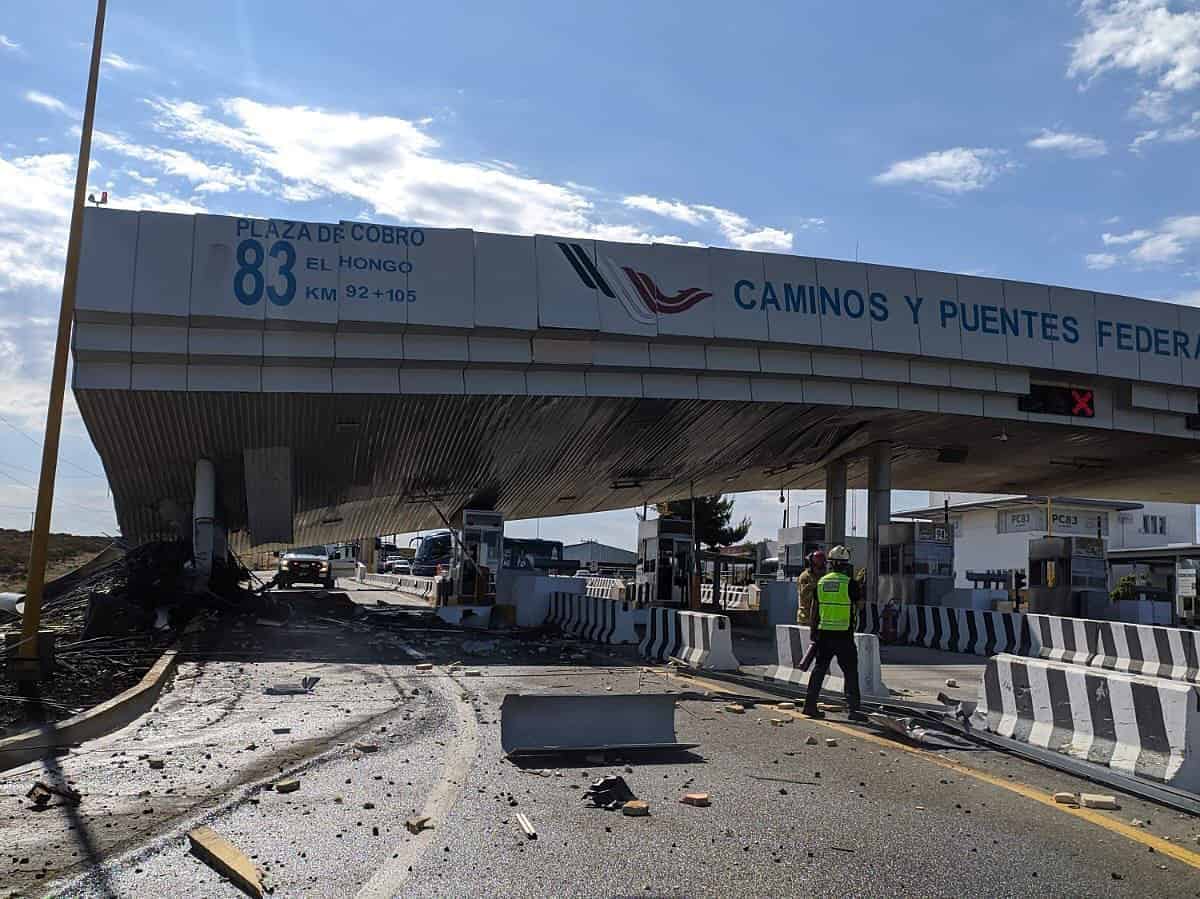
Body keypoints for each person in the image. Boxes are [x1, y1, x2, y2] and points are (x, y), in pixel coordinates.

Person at [802, 545, 869, 723]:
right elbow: (860, 605)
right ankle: (854, 710)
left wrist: (813, 632)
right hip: (843, 635)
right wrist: (860, 589)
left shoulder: (821, 582)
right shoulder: (850, 584)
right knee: (850, 672)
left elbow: (814, 610)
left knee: (819, 670)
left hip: (824, 633)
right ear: (846, 565)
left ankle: (809, 706)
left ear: (830, 564)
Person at [796, 550, 826, 626]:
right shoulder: (805, 577)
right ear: (812, 565)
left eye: (822, 567)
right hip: (806, 618)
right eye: (818, 567)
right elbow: (804, 596)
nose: (821, 570)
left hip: (821, 618)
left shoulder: (824, 576)